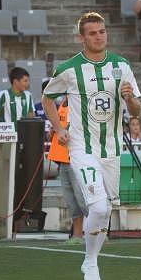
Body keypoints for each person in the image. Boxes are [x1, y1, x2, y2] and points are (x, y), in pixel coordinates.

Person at [41, 12, 141, 280]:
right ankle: (91, 261)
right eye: (93, 33)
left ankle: (91, 259)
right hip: (81, 147)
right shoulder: (69, 69)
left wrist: (130, 98)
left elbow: (137, 111)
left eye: (102, 31)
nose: (99, 36)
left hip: (111, 148)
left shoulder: (121, 66)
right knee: (96, 206)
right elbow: (47, 98)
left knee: (105, 209)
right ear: (81, 38)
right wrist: (58, 129)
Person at [48, 96, 86, 244]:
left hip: (76, 157)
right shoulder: (64, 101)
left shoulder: (81, 101)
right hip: (62, 157)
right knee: (71, 201)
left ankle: (98, 232)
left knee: (83, 199)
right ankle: (77, 236)